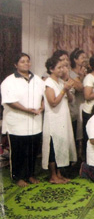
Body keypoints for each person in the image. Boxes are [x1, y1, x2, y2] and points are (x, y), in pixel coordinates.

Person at [1, 53, 45, 187]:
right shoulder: (9, 81)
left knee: (33, 150)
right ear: (16, 65)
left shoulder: (37, 79)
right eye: (22, 62)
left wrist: (41, 107)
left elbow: (43, 97)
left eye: (27, 61)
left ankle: (30, 175)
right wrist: (27, 110)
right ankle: (18, 177)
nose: (26, 63)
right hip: (17, 123)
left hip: (35, 122)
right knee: (18, 152)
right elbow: (10, 102)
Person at [42, 56, 77, 184]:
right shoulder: (48, 83)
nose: (62, 70)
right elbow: (53, 102)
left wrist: (66, 89)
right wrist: (64, 89)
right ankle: (52, 175)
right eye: (59, 67)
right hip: (54, 120)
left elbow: (71, 99)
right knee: (53, 147)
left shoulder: (61, 82)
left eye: (63, 67)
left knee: (61, 145)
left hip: (63, 118)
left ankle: (59, 173)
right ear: (51, 69)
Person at [69, 48, 87, 159]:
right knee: (77, 131)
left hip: (84, 103)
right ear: (75, 60)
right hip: (75, 105)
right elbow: (80, 88)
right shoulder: (71, 73)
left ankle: (81, 156)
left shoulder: (87, 71)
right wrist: (81, 76)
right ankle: (76, 157)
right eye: (82, 58)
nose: (85, 60)